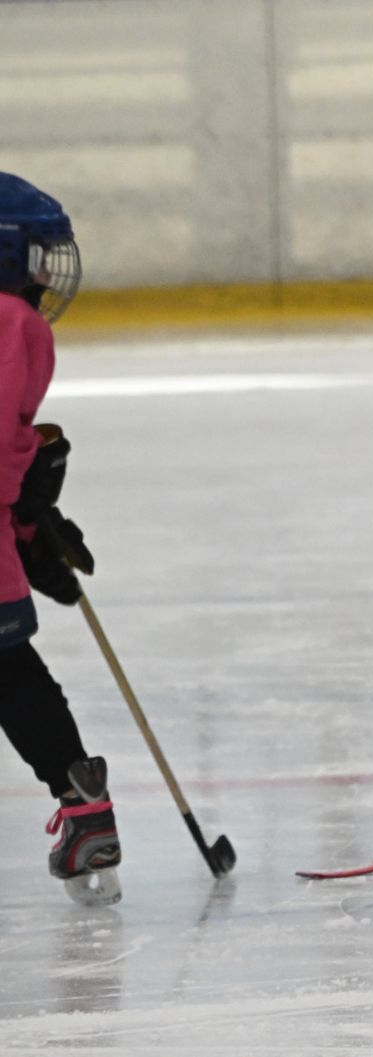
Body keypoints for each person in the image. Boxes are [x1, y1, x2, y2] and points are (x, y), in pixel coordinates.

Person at [0, 171, 120, 905]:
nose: (47, 276)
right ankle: (85, 808)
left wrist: (27, 514)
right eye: (37, 257)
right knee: (10, 669)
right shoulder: (17, 324)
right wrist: (27, 512)